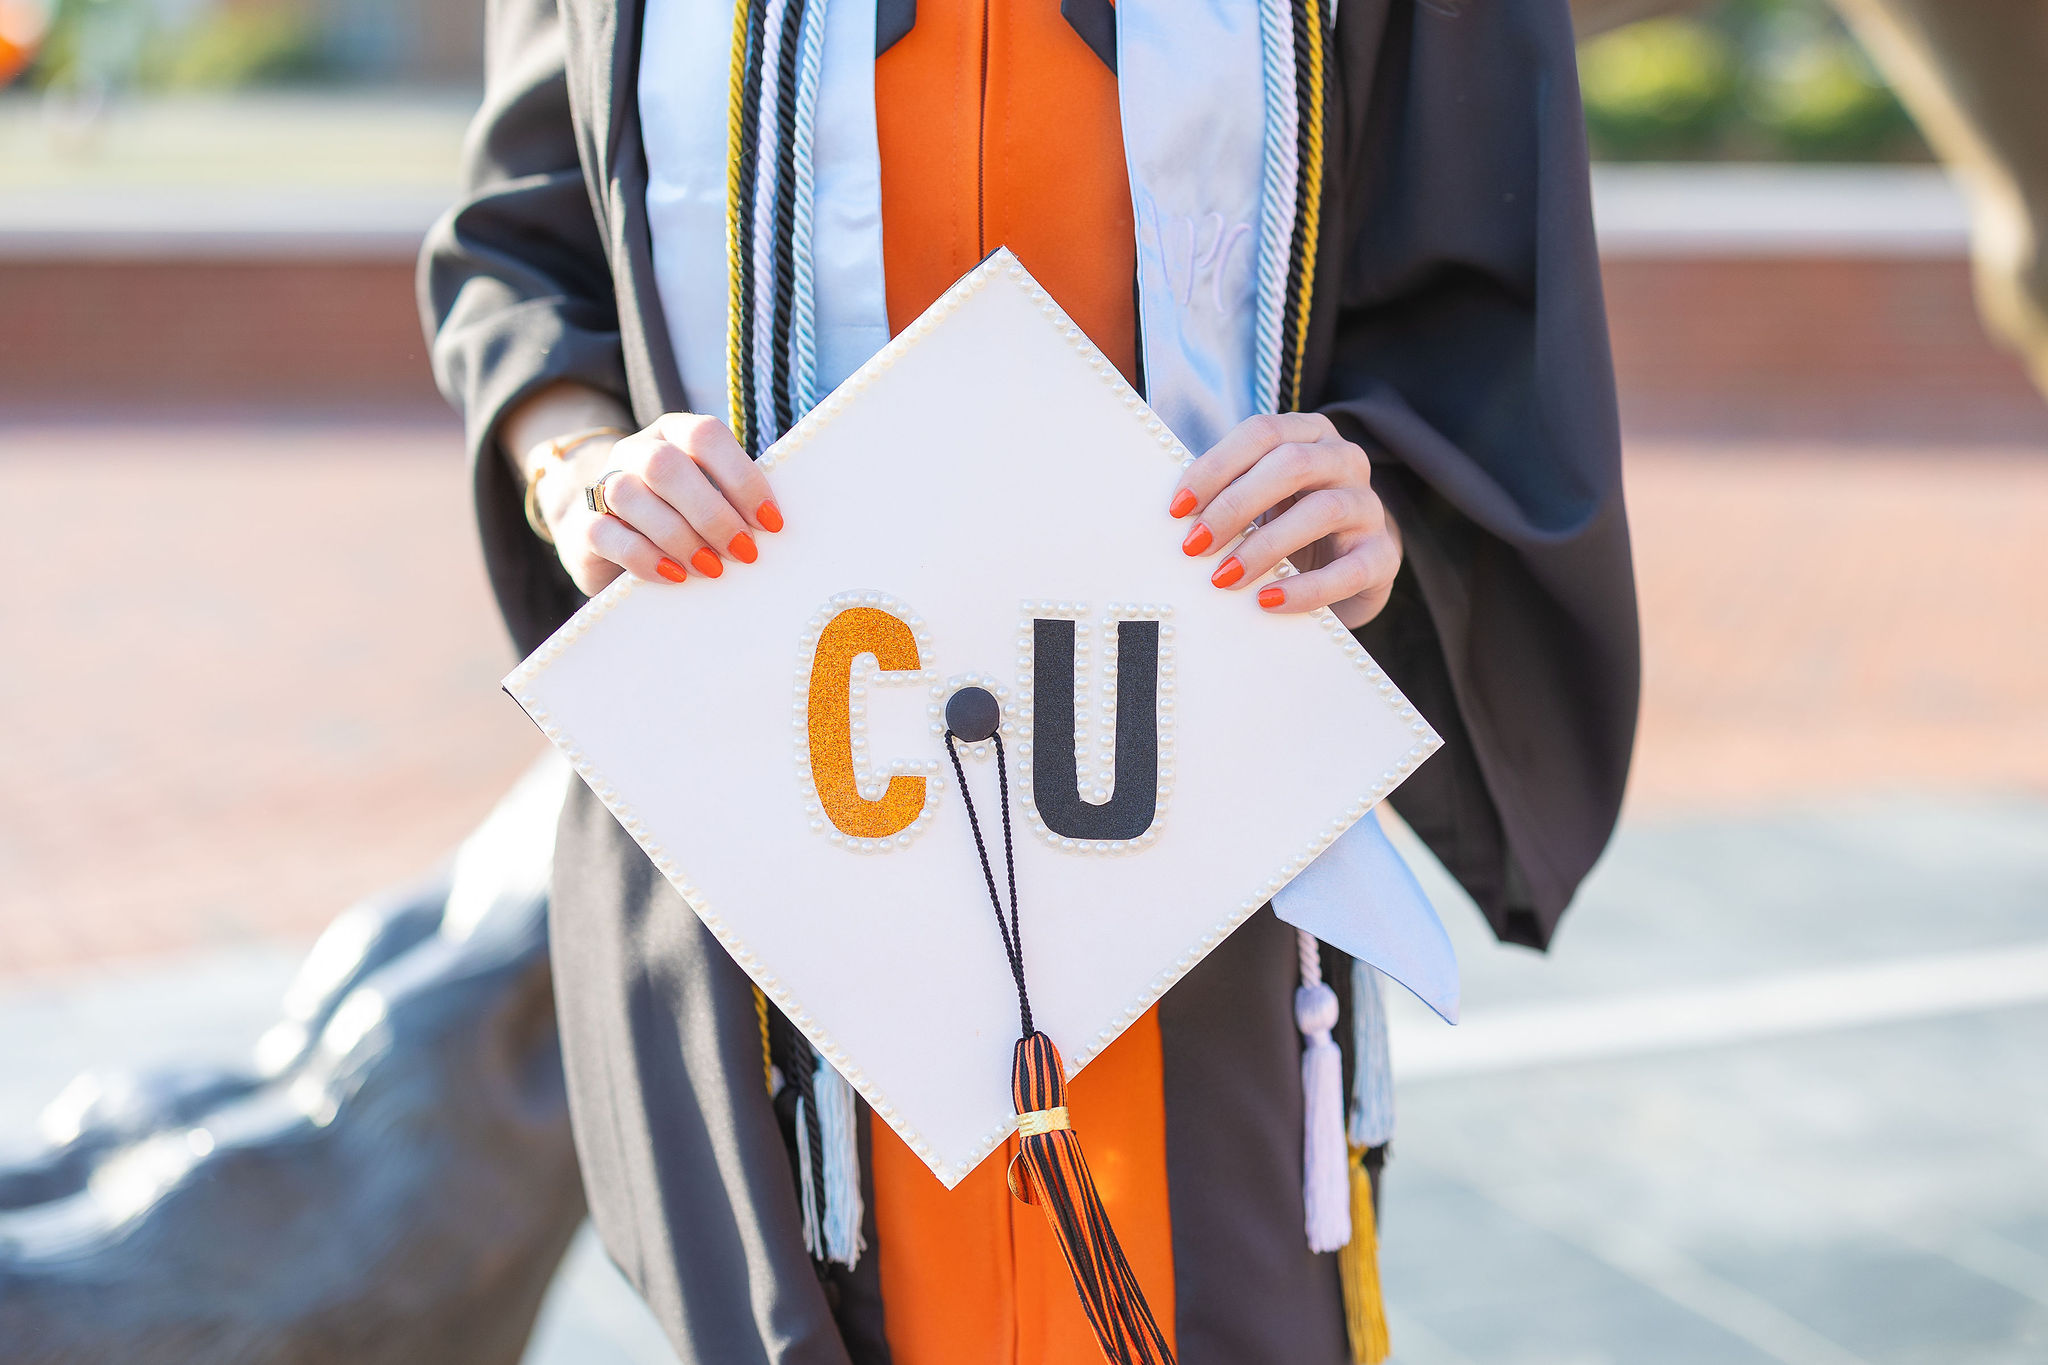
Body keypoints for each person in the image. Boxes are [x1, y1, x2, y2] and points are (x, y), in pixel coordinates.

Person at [420, 1, 1638, 1361]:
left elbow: (1464, 273)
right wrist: (580, 468)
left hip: (1196, 847)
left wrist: (1367, 486)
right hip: (784, 858)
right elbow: (526, 250)